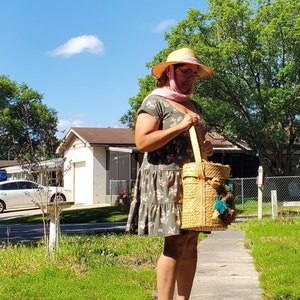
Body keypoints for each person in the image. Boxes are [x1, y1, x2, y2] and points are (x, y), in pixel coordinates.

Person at [126, 47, 214, 300]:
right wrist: (180, 126)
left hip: (192, 180)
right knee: (174, 242)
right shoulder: (154, 102)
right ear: (169, 72)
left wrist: (206, 146)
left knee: (191, 241)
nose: (190, 78)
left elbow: (194, 140)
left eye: (194, 74)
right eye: (186, 71)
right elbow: (143, 142)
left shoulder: (192, 104)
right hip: (165, 181)